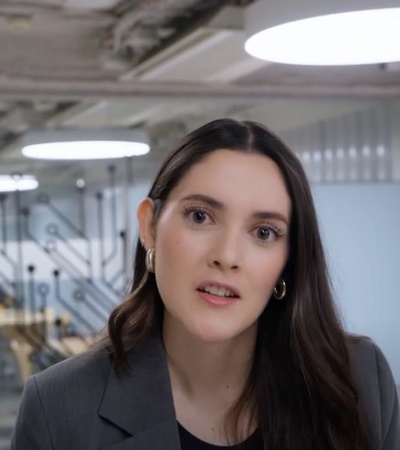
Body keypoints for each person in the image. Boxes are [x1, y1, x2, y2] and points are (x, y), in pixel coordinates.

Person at [11, 118, 399, 450]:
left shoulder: (359, 381)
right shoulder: (59, 408)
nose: (227, 255)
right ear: (149, 227)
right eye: (200, 216)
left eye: (264, 232)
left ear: (289, 259)